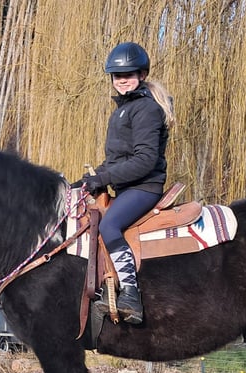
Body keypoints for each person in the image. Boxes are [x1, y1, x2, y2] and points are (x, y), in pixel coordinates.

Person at [80, 41, 174, 324]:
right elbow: (116, 158)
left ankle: (131, 295)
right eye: (118, 76)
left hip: (144, 187)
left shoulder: (146, 109)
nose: (122, 80)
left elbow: (145, 160)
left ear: (142, 75)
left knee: (109, 225)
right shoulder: (121, 111)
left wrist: (105, 178)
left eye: (129, 74)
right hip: (125, 187)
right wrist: (90, 180)